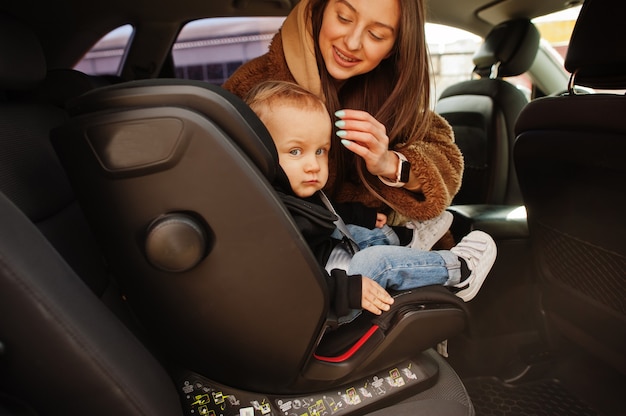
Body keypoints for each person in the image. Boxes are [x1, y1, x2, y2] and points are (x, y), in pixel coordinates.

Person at [243, 80, 496, 323]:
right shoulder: (266, 218)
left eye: (320, 151)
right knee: (375, 261)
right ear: (259, 152)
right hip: (329, 303)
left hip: (329, 270)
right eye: (295, 151)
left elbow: (329, 213)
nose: (313, 166)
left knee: (346, 230)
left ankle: (406, 240)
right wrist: (347, 289)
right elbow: (286, 280)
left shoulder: (283, 194)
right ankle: (459, 272)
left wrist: (364, 216)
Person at [224, 0, 464, 250]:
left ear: (393, 47)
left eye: (376, 34)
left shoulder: (397, 95)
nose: (352, 43)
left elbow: (446, 162)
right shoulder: (253, 85)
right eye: (344, 18)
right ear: (320, 9)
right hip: (291, 258)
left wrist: (390, 164)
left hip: (396, 254)